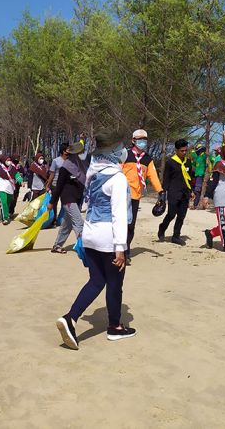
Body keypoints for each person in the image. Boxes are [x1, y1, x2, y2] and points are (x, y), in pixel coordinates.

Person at [55, 131, 135, 350]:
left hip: (90, 235)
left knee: (97, 281)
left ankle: (70, 318)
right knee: (115, 283)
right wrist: (121, 247)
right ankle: (115, 327)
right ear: (114, 152)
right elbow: (119, 215)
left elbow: (86, 204)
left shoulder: (93, 174)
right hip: (108, 237)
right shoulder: (117, 178)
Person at [122, 129, 163, 262]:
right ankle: (116, 251)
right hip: (121, 195)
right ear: (133, 140)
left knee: (131, 225)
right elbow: (116, 171)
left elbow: (153, 176)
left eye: (145, 139)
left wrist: (160, 191)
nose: (142, 142)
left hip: (135, 197)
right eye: (140, 139)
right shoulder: (124, 154)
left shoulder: (147, 159)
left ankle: (126, 251)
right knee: (119, 224)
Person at [48, 142, 86, 253]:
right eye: (80, 152)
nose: (82, 154)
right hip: (68, 198)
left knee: (67, 224)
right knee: (79, 222)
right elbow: (59, 186)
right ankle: (84, 248)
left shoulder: (80, 165)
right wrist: (52, 202)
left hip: (77, 198)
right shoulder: (66, 167)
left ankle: (57, 245)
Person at [158, 139, 192, 245]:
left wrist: (192, 191)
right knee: (171, 214)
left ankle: (176, 236)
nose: (184, 153)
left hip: (185, 193)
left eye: (186, 150)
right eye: (182, 151)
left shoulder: (188, 162)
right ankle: (162, 227)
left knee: (181, 216)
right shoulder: (170, 162)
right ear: (176, 150)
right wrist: (162, 194)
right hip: (173, 193)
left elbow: (190, 178)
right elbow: (166, 179)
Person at [0, 155, 23, 225]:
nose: (9, 162)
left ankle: (2, 217)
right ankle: (5, 218)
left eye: (9, 160)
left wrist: (21, 181)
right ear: (3, 161)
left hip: (10, 188)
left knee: (7, 204)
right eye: (7, 160)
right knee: (3, 203)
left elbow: (17, 175)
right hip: (1, 188)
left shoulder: (13, 168)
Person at [45, 144, 69, 220]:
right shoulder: (56, 161)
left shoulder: (70, 160)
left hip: (66, 185)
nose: (69, 151)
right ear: (63, 151)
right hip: (55, 185)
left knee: (65, 203)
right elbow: (52, 174)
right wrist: (48, 185)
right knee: (54, 202)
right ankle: (53, 218)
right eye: (68, 149)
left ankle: (63, 219)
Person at [189, 144, 207, 209]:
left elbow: (210, 159)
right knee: (195, 189)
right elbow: (194, 162)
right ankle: (195, 204)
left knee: (197, 190)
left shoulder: (204, 156)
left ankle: (196, 205)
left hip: (201, 174)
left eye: (197, 149)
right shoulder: (198, 157)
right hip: (196, 175)